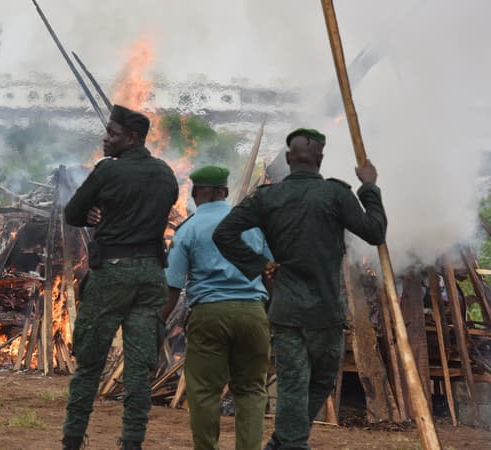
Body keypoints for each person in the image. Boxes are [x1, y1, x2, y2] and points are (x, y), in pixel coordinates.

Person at [212, 128, 387, 450]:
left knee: (297, 383)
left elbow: (223, 234)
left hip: (289, 310)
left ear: (289, 159)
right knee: (317, 381)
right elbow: (376, 232)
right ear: (320, 160)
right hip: (326, 312)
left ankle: (283, 440)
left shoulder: (267, 197)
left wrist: (258, 264)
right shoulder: (337, 194)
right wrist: (369, 186)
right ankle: (293, 444)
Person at [61, 104, 179, 450]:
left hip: (112, 274)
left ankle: (72, 439)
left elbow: (72, 213)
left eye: (112, 133)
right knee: (139, 370)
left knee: (89, 364)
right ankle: (131, 442)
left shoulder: (106, 172)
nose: (105, 138)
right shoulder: (166, 174)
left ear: (132, 138)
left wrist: (97, 214)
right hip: (152, 275)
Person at [163, 165, 272, 450]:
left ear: (196, 192)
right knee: (251, 391)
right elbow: (272, 272)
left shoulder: (188, 229)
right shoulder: (251, 224)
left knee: (204, 393)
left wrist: (156, 323)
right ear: (225, 192)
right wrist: (270, 314)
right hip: (252, 312)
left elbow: (173, 286)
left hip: (209, 314)